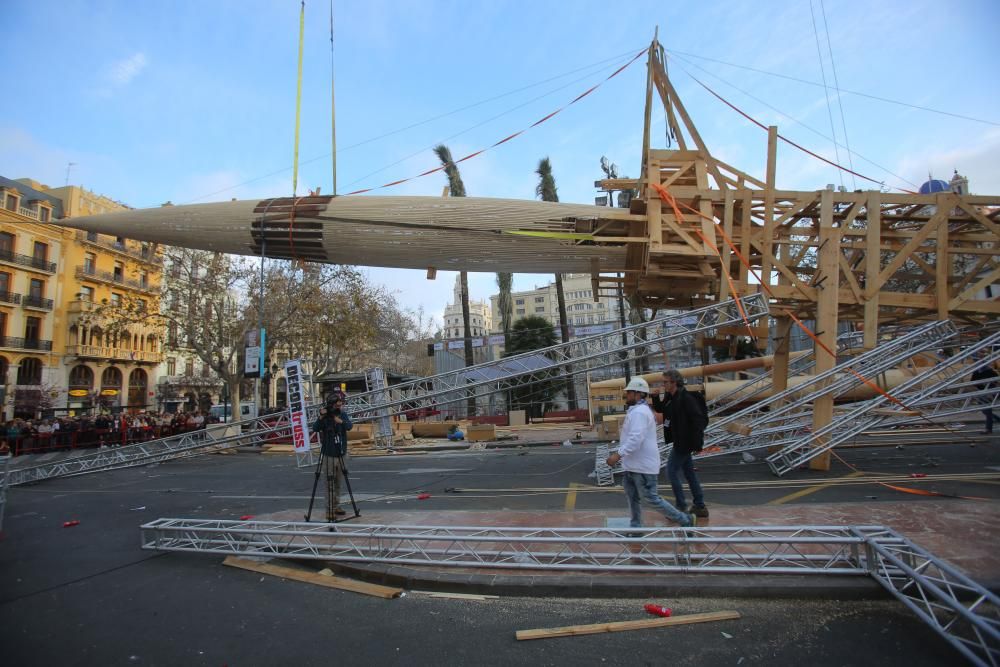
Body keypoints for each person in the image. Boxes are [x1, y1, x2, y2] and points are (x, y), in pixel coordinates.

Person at [606, 377, 694, 532]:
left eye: (629, 392)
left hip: (642, 467)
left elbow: (635, 439)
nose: (626, 395)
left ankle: (685, 520)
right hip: (633, 465)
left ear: (638, 394)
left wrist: (617, 455)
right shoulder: (637, 410)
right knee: (633, 498)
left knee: (651, 498)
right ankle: (636, 528)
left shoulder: (640, 412)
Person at [652, 369, 710, 518]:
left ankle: (681, 506)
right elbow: (661, 409)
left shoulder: (685, 398)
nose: (663, 384)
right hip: (679, 440)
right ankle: (700, 506)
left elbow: (698, 420)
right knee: (689, 473)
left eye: (665, 382)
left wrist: (698, 444)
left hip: (684, 442)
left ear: (674, 382)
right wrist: (655, 397)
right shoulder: (671, 397)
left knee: (670, 471)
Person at [312, 393, 354, 519]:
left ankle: (336, 506)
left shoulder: (342, 415)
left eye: (341, 404)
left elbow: (349, 426)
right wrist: (321, 417)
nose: (340, 407)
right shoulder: (325, 417)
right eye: (338, 404)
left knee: (338, 483)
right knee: (329, 483)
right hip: (329, 454)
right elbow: (315, 428)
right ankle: (329, 510)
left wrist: (339, 421)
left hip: (341, 453)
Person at [971, 359, 999, 434]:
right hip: (981, 392)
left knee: (987, 411)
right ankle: (996, 421)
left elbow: (996, 381)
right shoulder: (976, 372)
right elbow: (973, 382)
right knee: (985, 411)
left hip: (989, 392)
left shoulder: (990, 371)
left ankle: (989, 429)